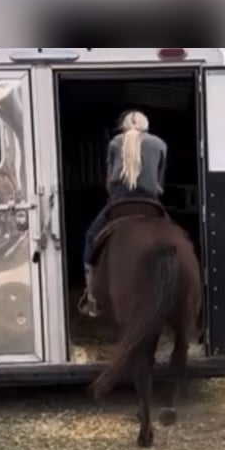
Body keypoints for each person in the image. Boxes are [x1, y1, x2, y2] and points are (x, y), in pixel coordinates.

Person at [78, 109, 168, 317]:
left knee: (91, 236)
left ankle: (91, 296)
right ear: (146, 125)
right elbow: (161, 183)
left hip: (119, 202)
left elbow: (109, 182)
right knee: (173, 241)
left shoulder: (115, 143)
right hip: (151, 203)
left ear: (124, 126)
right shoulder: (160, 144)